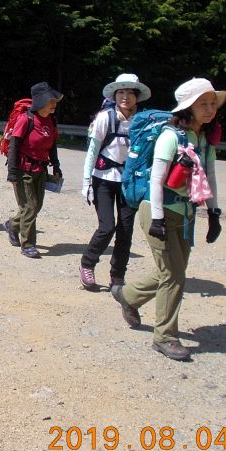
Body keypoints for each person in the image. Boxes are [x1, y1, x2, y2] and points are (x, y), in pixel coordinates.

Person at [111, 77, 226, 362]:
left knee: (173, 270)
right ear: (188, 107)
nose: (210, 109)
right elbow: (156, 181)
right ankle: (165, 336)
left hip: (185, 214)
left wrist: (213, 213)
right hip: (157, 209)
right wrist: (158, 220)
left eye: (213, 103)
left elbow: (209, 176)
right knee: (174, 275)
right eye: (204, 104)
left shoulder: (202, 140)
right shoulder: (170, 136)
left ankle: (128, 296)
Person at [78, 73, 151, 289]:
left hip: (130, 182)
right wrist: (86, 183)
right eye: (121, 92)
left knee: (125, 230)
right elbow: (92, 152)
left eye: (130, 92)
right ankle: (87, 264)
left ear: (137, 96)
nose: (125, 96)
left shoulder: (144, 122)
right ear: (115, 96)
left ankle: (118, 276)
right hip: (103, 179)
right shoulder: (105, 118)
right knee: (107, 226)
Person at [4, 82, 63, 258]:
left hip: (41, 170)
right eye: (50, 100)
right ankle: (28, 244)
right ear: (41, 101)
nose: (54, 103)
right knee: (29, 207)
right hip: (24, 169)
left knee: (36, 207)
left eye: (55, 100)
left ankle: (12, 224)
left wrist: (56, 166)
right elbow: (13, 146)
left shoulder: (51, 120)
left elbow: (52, 146)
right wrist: (12, 173)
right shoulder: (26, 119)